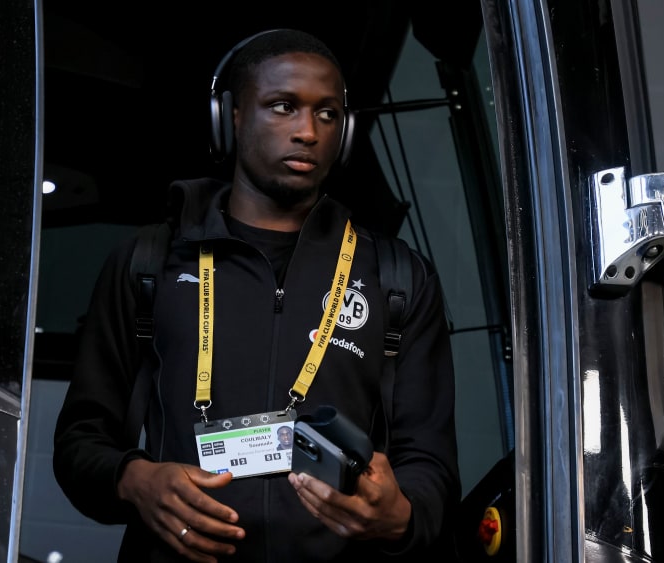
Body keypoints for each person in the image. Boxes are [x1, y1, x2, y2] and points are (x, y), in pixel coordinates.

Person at [53, 28, 460, 563]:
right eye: (283, 106)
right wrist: (134, 479)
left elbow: (431, 466)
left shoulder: (398, 277)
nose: (308, 132)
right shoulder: (150, 262)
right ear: (231, 118)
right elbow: (80, 441)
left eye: (328, 114)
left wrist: (401, 515)